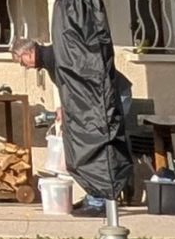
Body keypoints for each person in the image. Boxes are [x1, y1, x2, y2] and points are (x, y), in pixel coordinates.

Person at [14, 39, 130, 219]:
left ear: (28, 53)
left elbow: (80, 84)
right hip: (100, 97)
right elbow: (69, 87)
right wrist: (64, 107)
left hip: (113, 94)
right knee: (91, 145)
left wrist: (69, 109)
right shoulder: (51, 59)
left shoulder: (55, 57)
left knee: (99, 144)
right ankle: (95, 196)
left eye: (22, 62)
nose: (24, 67)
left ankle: (100, 201)